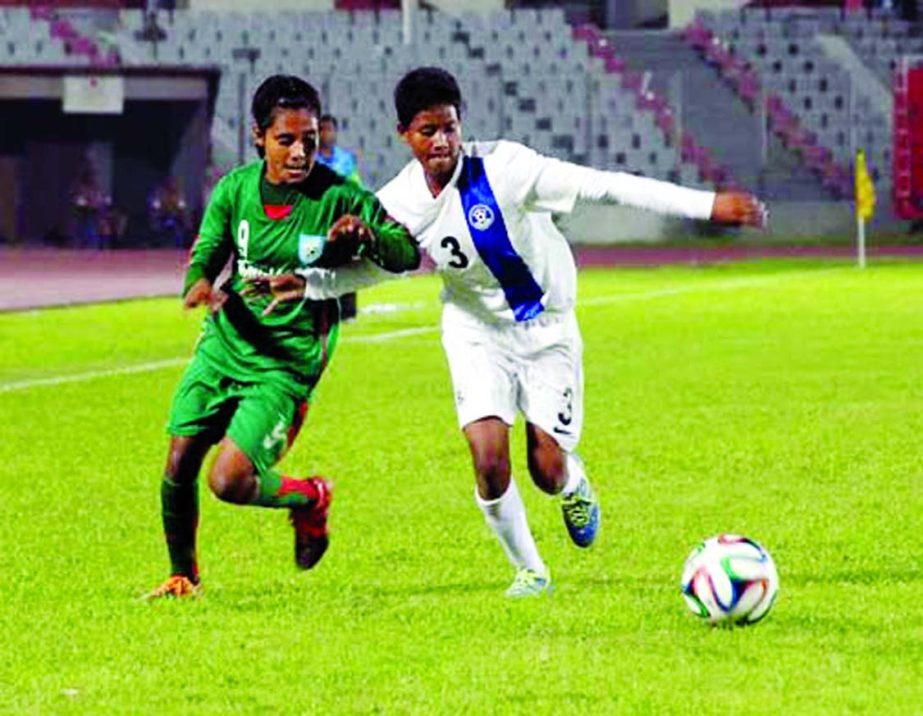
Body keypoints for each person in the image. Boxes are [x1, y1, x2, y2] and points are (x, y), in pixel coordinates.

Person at [269, 67, 767, 598]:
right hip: (475, 332)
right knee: (487, 457)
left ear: (461, 125)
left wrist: (706, 205)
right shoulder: (397, 203)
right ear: (403, 135)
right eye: (426, 131)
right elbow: (387, 265)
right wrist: (313, 285)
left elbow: (604, 185)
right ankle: (531, 571)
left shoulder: (508, 167)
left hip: (547, 328)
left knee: (546, 469)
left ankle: (573, 483)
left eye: (449, 128)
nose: (441, 141)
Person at [145, 74, 420, 600]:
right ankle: (184, 577)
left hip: (284, 365)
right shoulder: (235, 189)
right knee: (179, 462)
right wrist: (198, 282)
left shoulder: (338, 196)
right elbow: (207, 250)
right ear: (259, 136)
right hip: (224, 345)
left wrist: (367, 237)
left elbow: (407, 252)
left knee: (228, 482)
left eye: (310, 140)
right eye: (287, 140)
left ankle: (311, 498)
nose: (300, 152)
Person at [316, 114, 362, 320]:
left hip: (342, 221)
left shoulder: (345, 160)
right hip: (317, 221)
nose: (326, 134)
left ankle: (348, 312)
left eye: (329, 129)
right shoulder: (309, 160)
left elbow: (355, 187)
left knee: (346, 265)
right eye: (322, 129)